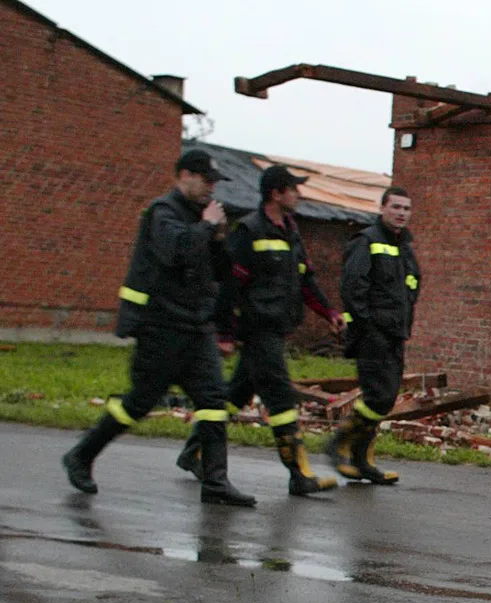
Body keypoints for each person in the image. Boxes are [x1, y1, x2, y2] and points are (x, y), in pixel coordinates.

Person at [62, 150, 255, 506]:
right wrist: (207, 227)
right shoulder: (162, 212)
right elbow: (175, 252)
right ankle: (81, 455)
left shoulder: (200, 218)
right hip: (160, 326)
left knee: (214, 401)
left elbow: (217, 272)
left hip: (196, 327)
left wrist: (217, 241)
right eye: (206, 181)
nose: (211, 189)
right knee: (139, 402)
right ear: (184, 175)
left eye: (214, 183)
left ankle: (215, 482)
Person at [176, 165, 345, 496]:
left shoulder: (290, 231)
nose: (298, 195)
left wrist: (329, 312)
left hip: (278, 327)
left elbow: (305, 279)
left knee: (234, 395)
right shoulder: (249, 231)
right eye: (293, 189)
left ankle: (193, 451)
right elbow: (229, 286)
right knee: (280, 397)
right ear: (276, 193)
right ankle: (299, 474)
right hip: (256, 328)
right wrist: (225, 333)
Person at [328, 187, 420, 485]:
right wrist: (367, 325)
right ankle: (342, 443)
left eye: (406, 208)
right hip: (372, 333)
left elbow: (410, 286)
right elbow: (353, 287)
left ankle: (362, 459)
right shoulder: (367, 241)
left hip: (395, 332)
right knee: (379, 395)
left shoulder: (405, 246)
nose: (401, 213)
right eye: (395, 207)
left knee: (385, 396)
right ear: (382, 208)